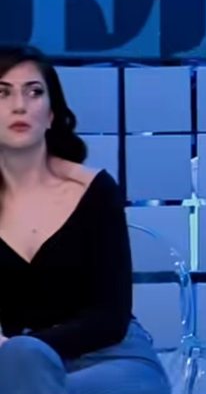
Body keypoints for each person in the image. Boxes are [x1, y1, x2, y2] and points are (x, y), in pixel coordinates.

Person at [0, 46, 169, 394]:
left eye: (34, 92)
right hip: (14, 365)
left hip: (110, 358)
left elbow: (111, 318)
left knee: (25, 363)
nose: (20, 106)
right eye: (3, 93)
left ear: (51, 114)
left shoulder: (94, 190)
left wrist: (22, 349)